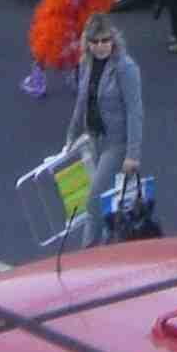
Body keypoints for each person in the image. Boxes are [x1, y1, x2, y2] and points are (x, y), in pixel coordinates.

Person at [62, 14, 146, 245]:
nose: (101, 46)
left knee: (93, 200)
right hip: (94, 140)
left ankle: (89, 253)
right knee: (104, 201)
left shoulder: (126, 68)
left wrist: (133, 154)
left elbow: (135, 111)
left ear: (113, 39)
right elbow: (81, 102)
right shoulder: (86, 63)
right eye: (95, 41)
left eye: (105, 40)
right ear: (87, 42)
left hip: (116, 143)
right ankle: (104, 248)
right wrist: (71, 136)